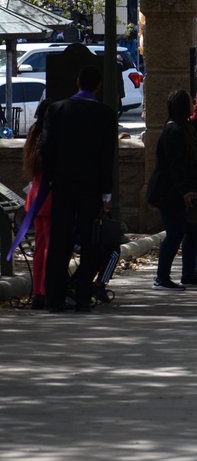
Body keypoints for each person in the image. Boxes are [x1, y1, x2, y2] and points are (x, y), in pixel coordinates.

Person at [41, 65, 117, 312]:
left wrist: (49, 180)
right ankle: (83, 295)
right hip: (91, 187)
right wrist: (107, 193)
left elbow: (47, 149)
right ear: (98, 86)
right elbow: (107, 158)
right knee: (90, 242)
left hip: (62, 185)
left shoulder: (56, 110)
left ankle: (55, 297)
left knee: (59, 241)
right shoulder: (105, 115)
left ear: (77, 82)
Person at [148, 89, 197, 290]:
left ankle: (188, 274)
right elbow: (175, 165)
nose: (193, 105)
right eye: (190, 102)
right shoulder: (174, 130)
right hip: (169, 193)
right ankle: (161, 277)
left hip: (180, 190)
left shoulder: (184, 127)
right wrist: (185, 191)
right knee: (175, 232)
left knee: (194, 230)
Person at [22, 100, 52, 309]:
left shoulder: (34, 134)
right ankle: (45, 289)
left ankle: (38, 292)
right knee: (50, 246)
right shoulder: (50, 137)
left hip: (35, 196)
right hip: (49, 197)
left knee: (40, 246)